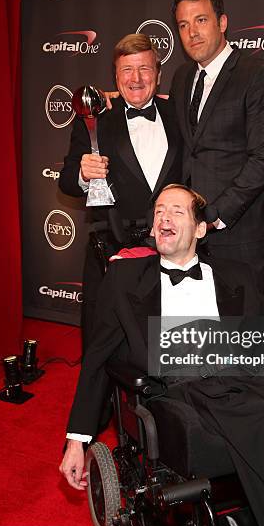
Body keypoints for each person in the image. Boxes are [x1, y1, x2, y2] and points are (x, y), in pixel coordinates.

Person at [60, 184, 264, 526]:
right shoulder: (123, 280)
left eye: (177, 211)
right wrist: (77, 440)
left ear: (199, 229)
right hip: (187, 383)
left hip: (242, 368)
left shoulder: (237, 274)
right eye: (160, 210)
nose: (164, 217)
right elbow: (98, 358)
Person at [59, 34, 182, 352]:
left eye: (144, 68)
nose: (136, 78)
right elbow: (66, 182)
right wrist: (84, 173)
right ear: (115, 75)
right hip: (113, 251)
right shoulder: (96, 118)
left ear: (158, 74)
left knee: (168, 344)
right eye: (127, 69)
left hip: (171, 252)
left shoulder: (179, 115)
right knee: (105, 349)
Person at [169, 0, 264, 314]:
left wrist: (216, 214)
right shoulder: (181, 78)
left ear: (222, 23)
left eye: (201, 20)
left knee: (253, 334)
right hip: (190, 235)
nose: (192, 32)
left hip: (238, 231)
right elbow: (183, 149)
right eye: (183, 25)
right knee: (201, 330)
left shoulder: (258, 75)